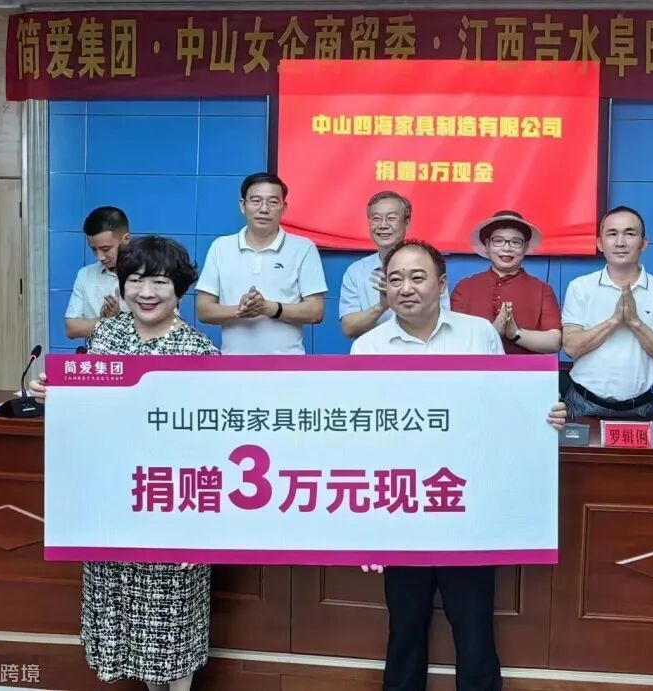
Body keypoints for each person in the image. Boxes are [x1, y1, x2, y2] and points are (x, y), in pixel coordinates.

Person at [351, 239, 567, 691]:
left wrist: (542, 416)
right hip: (404, 505)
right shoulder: (368, 347)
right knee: (405, 626)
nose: (405, 288)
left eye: (417, 277)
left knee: (473, 627)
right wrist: (370, 527)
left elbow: (502, 406)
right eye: (395, 279)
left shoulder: (478, 334)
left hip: (465, 503)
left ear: (442, 284)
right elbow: (364, 439)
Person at [31, 236, 217, 691]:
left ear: (179, 289)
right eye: (135, 280)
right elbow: (91, 414)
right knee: (126, 622)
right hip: (111, 503)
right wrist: (57, 397)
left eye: (160, 282)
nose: (146, 292)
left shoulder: (199, 352)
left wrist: (201, 531)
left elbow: (211, 448)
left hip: (171, 505)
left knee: (172, 626)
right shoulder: (107, 336)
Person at [561, 206, 653, 419]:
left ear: (644, 243)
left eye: (630, 233)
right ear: (600, 243)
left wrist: (635, 322)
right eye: (612, 234)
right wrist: (614, 321)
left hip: (640, 407)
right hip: (584, 403)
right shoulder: (580, 287)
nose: (620, 242)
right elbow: (571, 347)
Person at [196, 172, 327, 353]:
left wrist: (269, 308)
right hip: (232, 363)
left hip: (288, 364)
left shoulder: (303, 248)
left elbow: (315, 312)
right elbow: (203, 310)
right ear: (243, 205)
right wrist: (242, 310)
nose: (264, 209)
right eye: (256, 201)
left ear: (283, 207)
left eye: (272, 202)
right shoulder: (220, 247)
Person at [340, 191, 451, 339]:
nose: (383, 225)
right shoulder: (356, 271)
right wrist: (381, 307)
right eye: (376, 219)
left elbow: (442, 320)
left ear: (406, 222)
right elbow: (349, 328)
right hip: (374, 351)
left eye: (391, 218)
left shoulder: (428, 265)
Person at [451, 210, 562, 355]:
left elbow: (554, 342)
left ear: (525, 247)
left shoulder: (542, 289)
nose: (506, 248)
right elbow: (455, 339)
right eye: (498, 241)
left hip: (526, 369)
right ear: (487, 245)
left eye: (515, 242)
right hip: (474, 369)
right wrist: (493, 332)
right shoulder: (465, 287)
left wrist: (515, 333)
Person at [64, 206, 131, 341]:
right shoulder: (85, 275)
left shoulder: (148, 274)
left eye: (106, 249)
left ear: (126, 240)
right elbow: (71, 329)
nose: (100, 257)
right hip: (97, 355)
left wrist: (119, 318)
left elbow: (163, 327)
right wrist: (104, 320)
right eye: (94, 249)